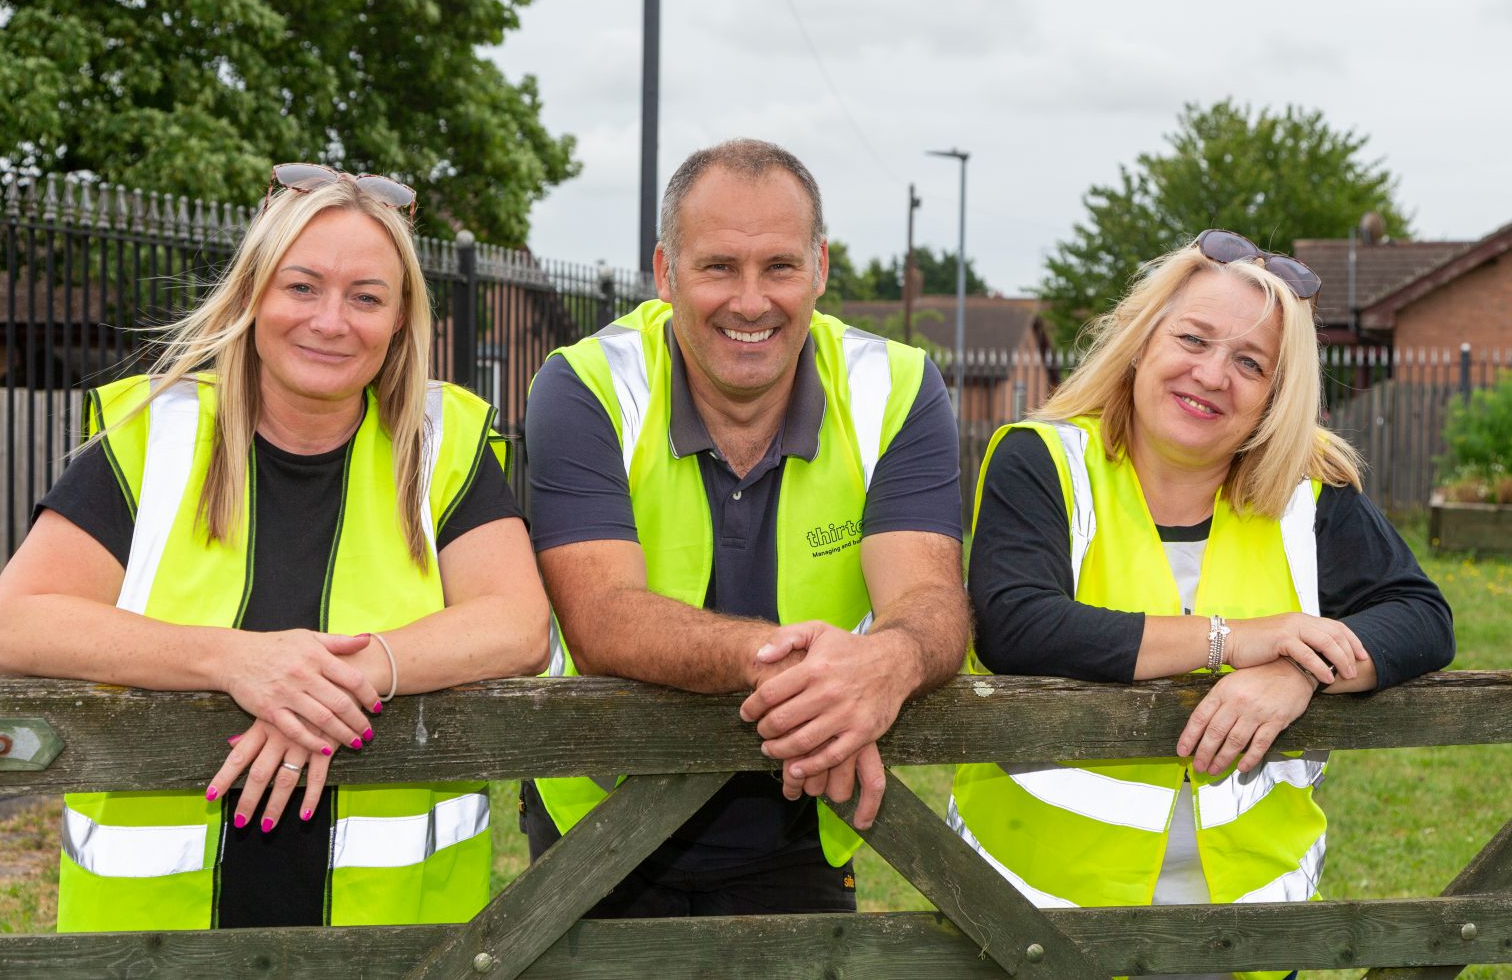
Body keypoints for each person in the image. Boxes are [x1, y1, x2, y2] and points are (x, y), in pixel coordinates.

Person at [0, 164, 549, 932]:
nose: (331, 320)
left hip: (395, 948)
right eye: (302, 286)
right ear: (253, 293)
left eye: (366, 297)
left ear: (399, 316)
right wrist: (238, 661)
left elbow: (517, 623)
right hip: (151, 949)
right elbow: (15, 627)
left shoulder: (441, 446)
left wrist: (332, 679)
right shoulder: (158, 435)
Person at [948, 230, 1454, 980]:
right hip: (1034, 910)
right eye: (1194, 338)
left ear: (1276, 396)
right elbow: (1017, 624)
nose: (1212, 374)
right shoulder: (1044, 459)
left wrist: (1298, 671)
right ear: (1143, 341)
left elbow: (1420, 615)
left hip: (1245, 920)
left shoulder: (1307, 492)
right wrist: (1237, 640)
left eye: (1250, 363)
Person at [520, 137, 970, 917]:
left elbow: (929, 597)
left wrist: (886, 662)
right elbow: (601, 619)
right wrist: (810, 671)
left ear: (821, 268)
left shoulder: (896, 387)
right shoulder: (585, 383)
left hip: (804, 820)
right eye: (719, 266)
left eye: (781, 267)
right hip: (597, 817)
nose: (752, 300)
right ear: (664, 273)